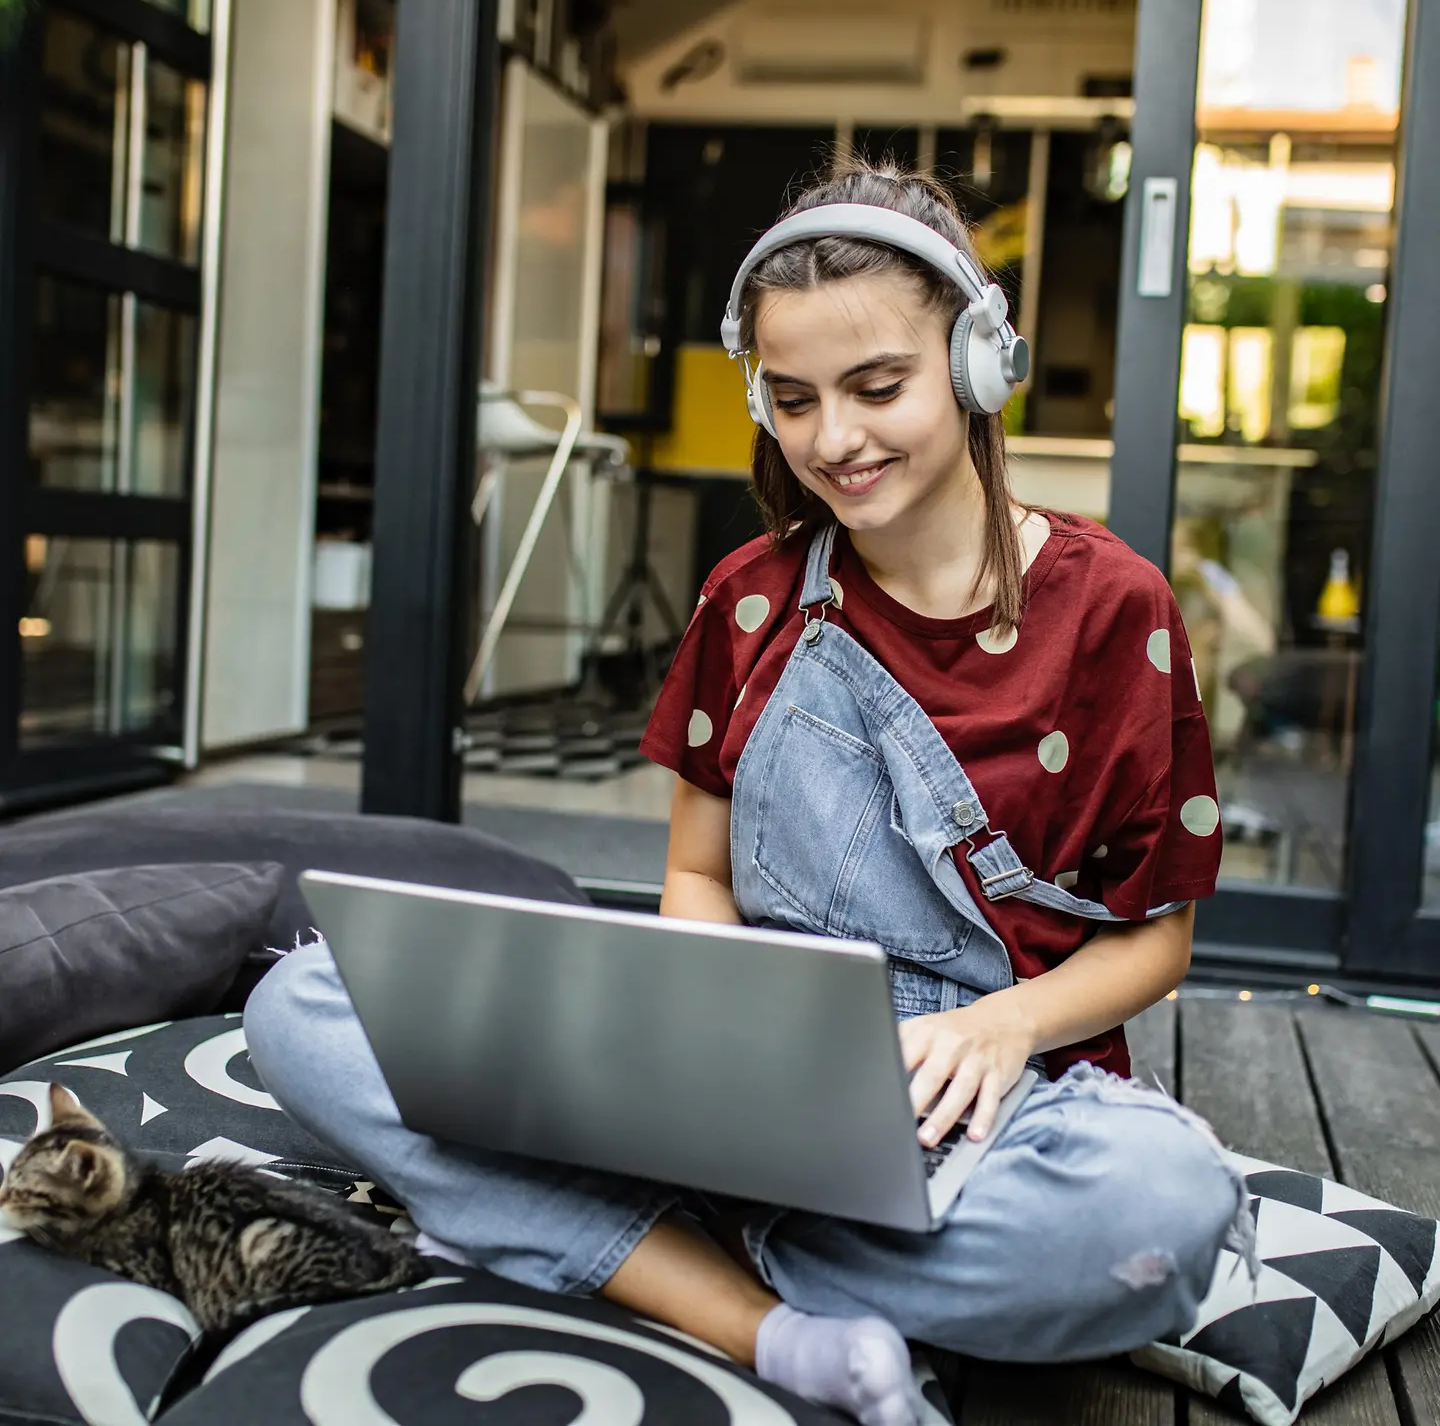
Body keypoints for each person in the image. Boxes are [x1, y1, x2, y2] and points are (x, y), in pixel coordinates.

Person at [244, 160, 1253, 1426]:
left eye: (878, 387)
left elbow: (1157, 940)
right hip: (739, 1058)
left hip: (989, 1098)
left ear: (979, 362)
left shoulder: (1117, 608)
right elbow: (699, 878)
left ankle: (602, 1237)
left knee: (1161, 1217)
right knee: (305, 1002)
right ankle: (772, 1328)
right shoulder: (750, 597)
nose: (835, 438)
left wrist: (999, 1031)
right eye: (793, 399)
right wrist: (700, 1059)